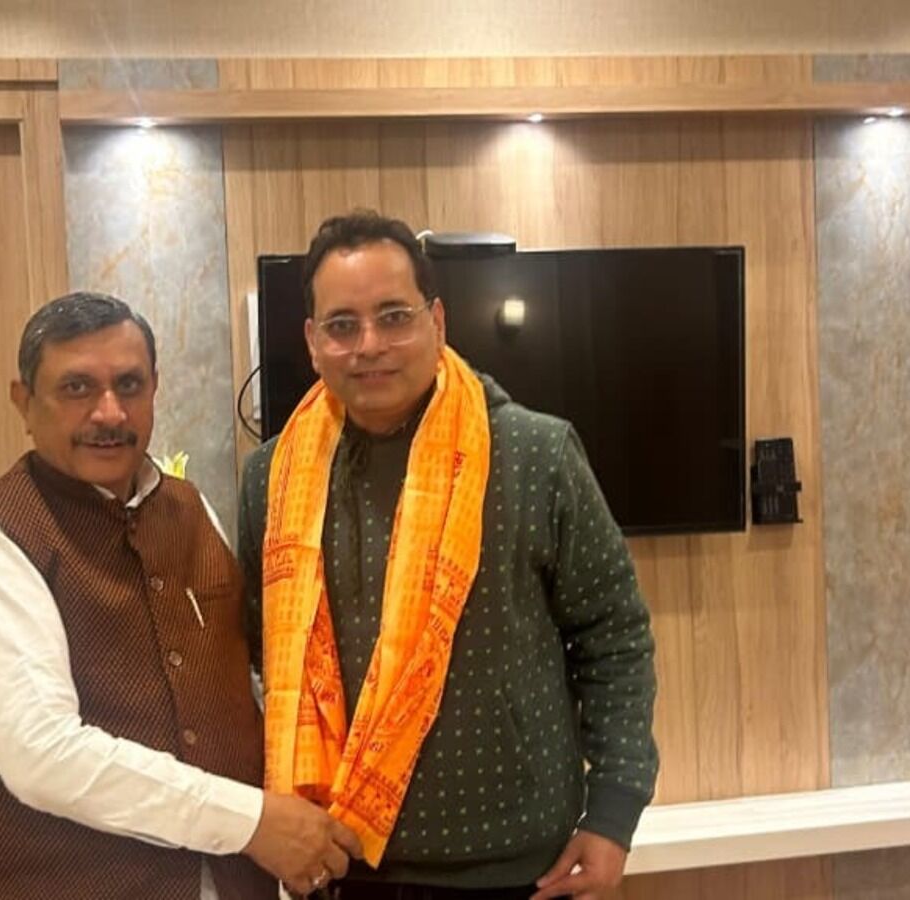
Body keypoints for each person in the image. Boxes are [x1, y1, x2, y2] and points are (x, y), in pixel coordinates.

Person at [239, 213, 659, 900]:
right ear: (313, 342)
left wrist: (613, 815)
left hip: (519, 869)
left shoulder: (535, 454)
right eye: (342, 325)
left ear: (437, 321)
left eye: (393, 316)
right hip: (339, 866)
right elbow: (262, 652)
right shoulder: (270, 479)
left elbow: (615, 640)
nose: (369, 345)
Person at [0, 292, 360, 900]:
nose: (109, 413)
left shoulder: (190, 508)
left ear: (155, 388)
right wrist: (251, 821)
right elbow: (43, 756)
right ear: (24, 402)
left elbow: (245, 689)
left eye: (129, 385)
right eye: (77, 388)